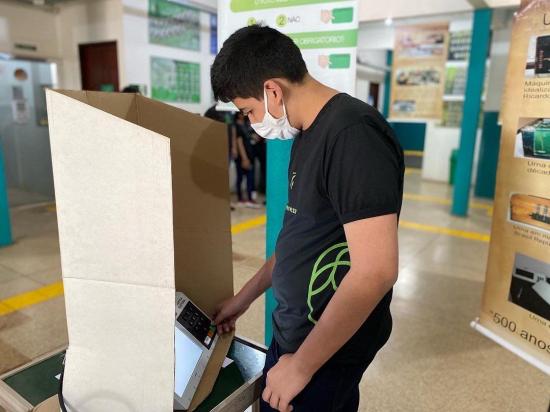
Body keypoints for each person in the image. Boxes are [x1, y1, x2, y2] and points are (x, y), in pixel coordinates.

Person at [211, 25, 404, 412]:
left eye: (248, 110)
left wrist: (302, 365)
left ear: (273, 91)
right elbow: (299, 236)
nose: (251, 121)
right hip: (299, 336)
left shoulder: (353, 135)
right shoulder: (307, 135)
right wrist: (244, 299)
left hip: (326, 350)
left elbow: (376, 271)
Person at [234, 112, 261, 208]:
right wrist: (244, 158)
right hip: (243, 157)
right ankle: (242, 198)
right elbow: (239, 142)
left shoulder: (245, 124)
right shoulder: (237, 126)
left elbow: (247, 138)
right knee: (242, 178)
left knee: (249, 178)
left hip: (249, 155)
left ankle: (248, 198)